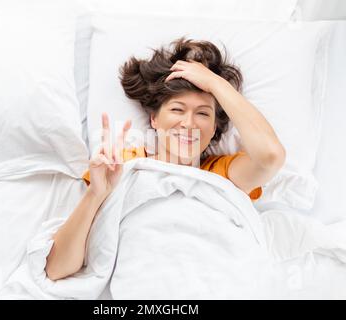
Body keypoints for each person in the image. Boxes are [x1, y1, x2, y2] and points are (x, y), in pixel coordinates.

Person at [44, 38, 286, 281]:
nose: (188, 123)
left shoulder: (222, 174)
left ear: (214, 128)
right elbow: (57, 269)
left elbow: (270, 156)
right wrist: (95, 194)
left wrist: (215, 84)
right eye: (177, 109)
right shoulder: (121, 165)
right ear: (154, 120)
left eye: (203, 113)